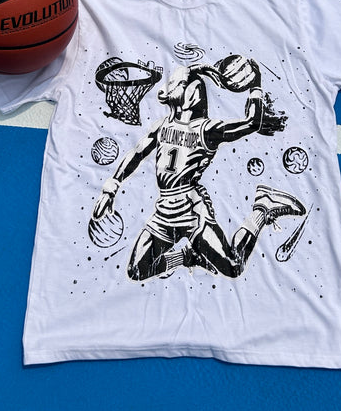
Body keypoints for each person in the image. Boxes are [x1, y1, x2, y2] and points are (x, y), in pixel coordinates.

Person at [91, 60, 305, 280]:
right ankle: (188, 256)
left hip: (191, 209)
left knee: (233, 266)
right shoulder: (163, 125)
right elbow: (137, 153)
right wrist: (111, 188)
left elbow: (252, 123)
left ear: (193, 93)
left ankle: (263, 207)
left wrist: (256, 85)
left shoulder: (207, 129)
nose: (170, 89)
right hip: (164, 209)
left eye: (180, 84)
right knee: (137, 270)